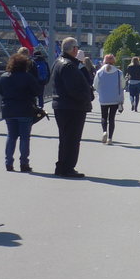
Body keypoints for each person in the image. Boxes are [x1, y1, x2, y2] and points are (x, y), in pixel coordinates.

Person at [50, 37, 93, 178]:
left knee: (65, 138)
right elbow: (74, 89)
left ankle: (62, 166)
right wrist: (87, 97)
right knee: (72, 139)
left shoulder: (58, 62)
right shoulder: (69, 65)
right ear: (74, 49)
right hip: (72, 107)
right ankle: (67, 167)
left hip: (62, 105)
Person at [0, 52, 44, 172]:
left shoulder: (4, 77)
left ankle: (8, 163)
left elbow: (1, 91)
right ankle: (24, 164)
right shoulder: (27, 77)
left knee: (11, 136)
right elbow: (37, 91)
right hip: (25, 109)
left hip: (8, 109)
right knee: (24, 137)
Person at [94, 54, 126, 145]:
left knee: (104, 116)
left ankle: (104, 131)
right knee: (112, 118)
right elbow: (123, 85)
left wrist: (101, 90)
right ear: (113, 62)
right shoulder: (119, 72)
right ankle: (110, 138)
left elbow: (95, 85)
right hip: (115, 98)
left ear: (104, 61)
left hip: (104, 98)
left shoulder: (99, 72)